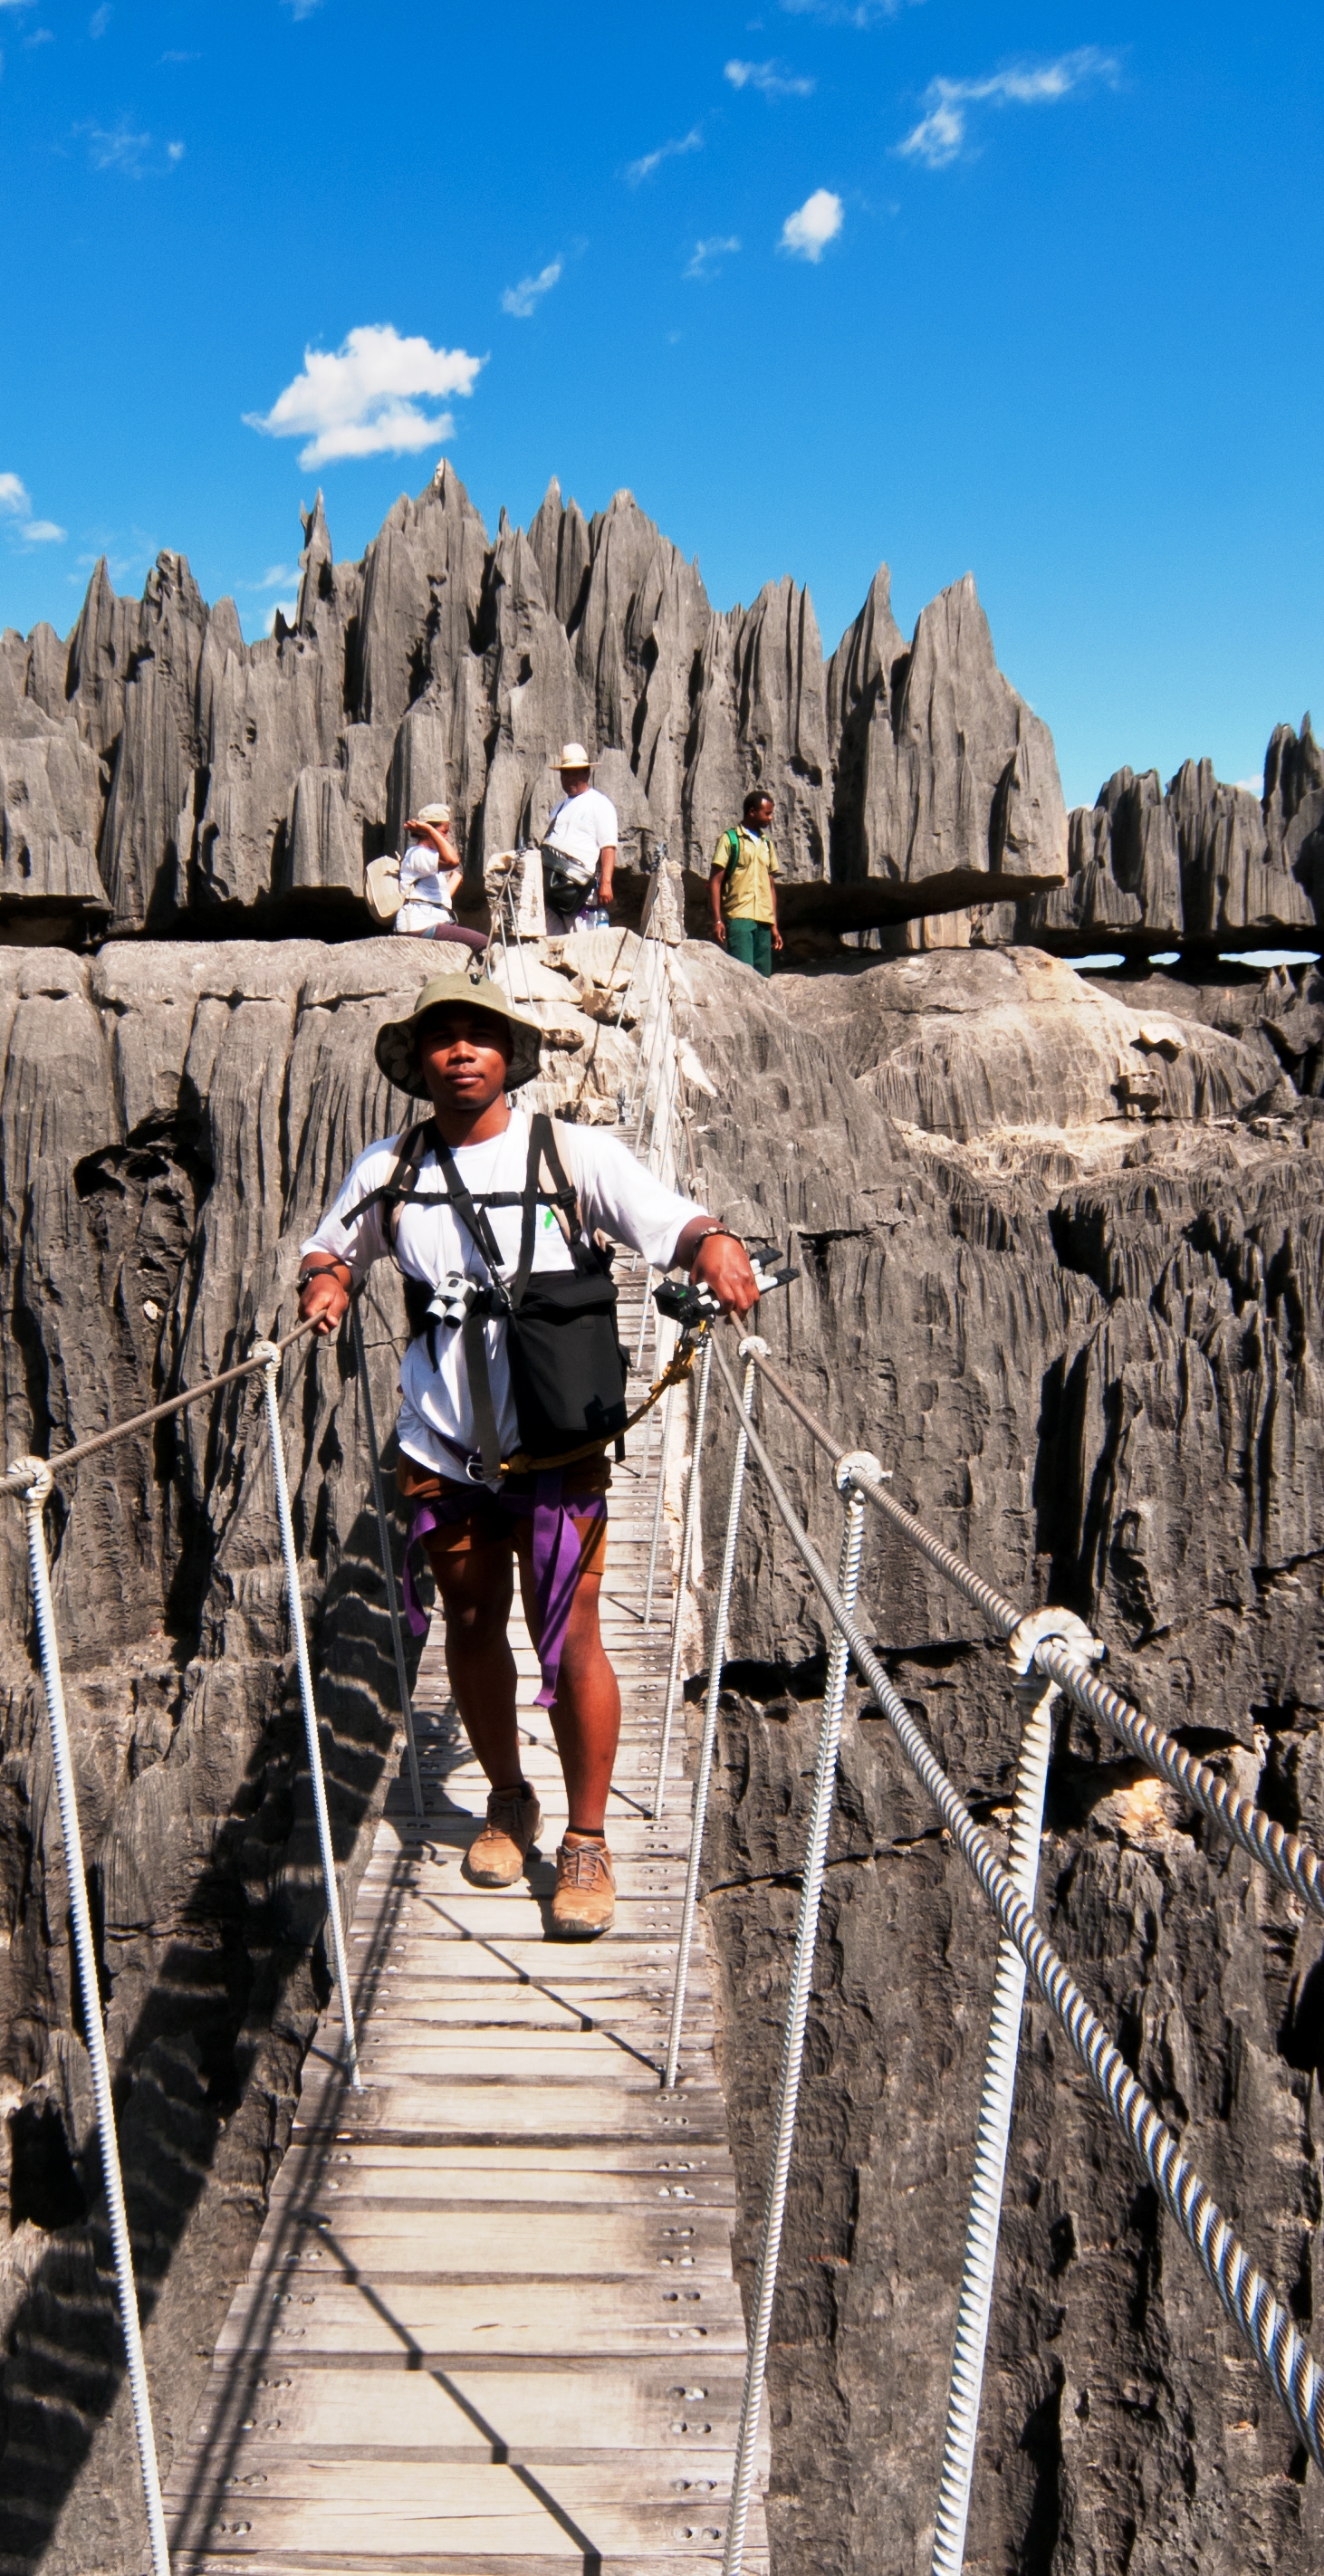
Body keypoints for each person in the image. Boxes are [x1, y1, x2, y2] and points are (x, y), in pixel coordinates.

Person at [295, 971, 760, 1937]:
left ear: (508, 1053)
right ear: (417, 1063)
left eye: (479, 1035)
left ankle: (586, 1839)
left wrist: (711, 1245)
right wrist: (328, 1283)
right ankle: (508, 1798)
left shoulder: (571, 1154)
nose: (461, 1050)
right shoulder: (389, 1168)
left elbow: (667, 1220)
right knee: (470, 1618)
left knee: (571, 1631)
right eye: (442, 1038)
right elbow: (333, 1246)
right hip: (441, 1443)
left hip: (556, 1443)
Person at [540, 742, 620, 934]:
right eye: (566, 774)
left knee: (582, 943)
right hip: (553, 888)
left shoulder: (599, 803)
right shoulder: (558, 807)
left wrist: (606, 883)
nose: (570, 779)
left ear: (587, 773)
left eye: (575, 773)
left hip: (580, 889)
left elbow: (608, 846)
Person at [708, 788, 782, 975]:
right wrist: (717, 920)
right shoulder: (730, 839)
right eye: (767, 813)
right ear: (752, 812)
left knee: (763, 977)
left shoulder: (767, 844)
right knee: (743, 975)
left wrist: (773, 925)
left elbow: (770, 886)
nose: (770, 818)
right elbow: (715, 882)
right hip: (739, 917)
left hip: (763, 920)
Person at [394, 801, 486, 950]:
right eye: (444, 832)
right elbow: (452, 860)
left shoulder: (428, 858)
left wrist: (455, 880)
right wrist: (430, 830)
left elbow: (438, 898)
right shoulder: (418, 853)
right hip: (420, 924)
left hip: (429, 922)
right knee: (483, 943)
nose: (446, 838)